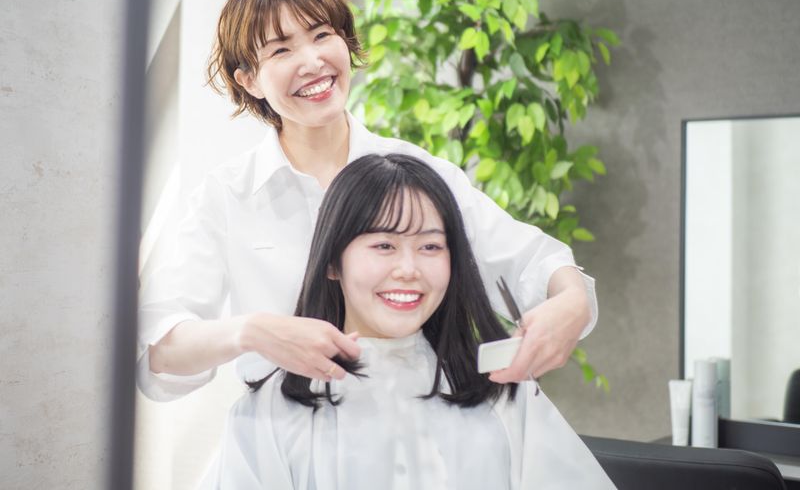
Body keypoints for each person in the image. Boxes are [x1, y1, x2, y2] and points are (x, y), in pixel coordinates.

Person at [137, 0, 598, 401]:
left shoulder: (417, 173)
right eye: (281, 50)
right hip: (283, 437)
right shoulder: (226, 196)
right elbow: (158, 349)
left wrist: (571, 302)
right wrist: (251, 331)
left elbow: (534, 261)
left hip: (415, 430)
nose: (313, 61)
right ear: (249, 80)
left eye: (322, 35)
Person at [200, 154, 615, 489]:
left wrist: (571, 298)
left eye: (430, 246)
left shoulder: (501, 392)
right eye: (384, 245)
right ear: (332, 262)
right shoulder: (270, 412)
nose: (408, 269)